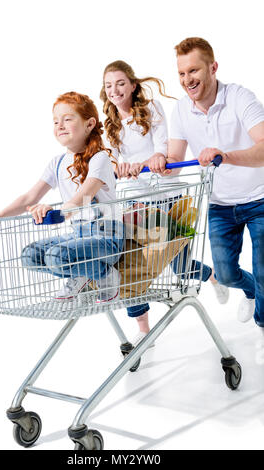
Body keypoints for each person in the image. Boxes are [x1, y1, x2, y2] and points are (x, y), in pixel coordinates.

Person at [100, 60, 228, 347]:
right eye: (109, 85)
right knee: (129, 268)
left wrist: (147, 162)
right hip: (135, 205)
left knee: (180, 269)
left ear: (133, 85)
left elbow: (161, 150)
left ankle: (212, 277)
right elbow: (111, 160)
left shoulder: (151, 110)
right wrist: (119, 167)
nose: (115, 90)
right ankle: (144, 331)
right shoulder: (110, 124)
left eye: (120, 83)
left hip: (167, 199)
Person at [0, 92, 124, 303]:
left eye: (68, 119)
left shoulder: (101, 159)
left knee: (56, 256)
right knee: (30, 255)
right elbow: (30, 197)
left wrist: (60, 212)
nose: (60, 125)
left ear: (89, 124)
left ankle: (105, 274)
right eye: (55, 121)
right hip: (79, 235)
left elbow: (85, 194)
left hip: (106, 237)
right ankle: (80, 271)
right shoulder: (58, 162)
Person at [167, 37, 264, 363]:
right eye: (181, 73)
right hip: (221, 205)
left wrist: (226, 155)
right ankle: (249, 290)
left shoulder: (239, 97)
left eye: (193, 70)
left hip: (260, 198)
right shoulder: (181, 109)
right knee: (224, 274)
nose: (187, 80)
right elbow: (173, 163)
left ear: (213, 68)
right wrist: (153, 162)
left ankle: (263, 327)